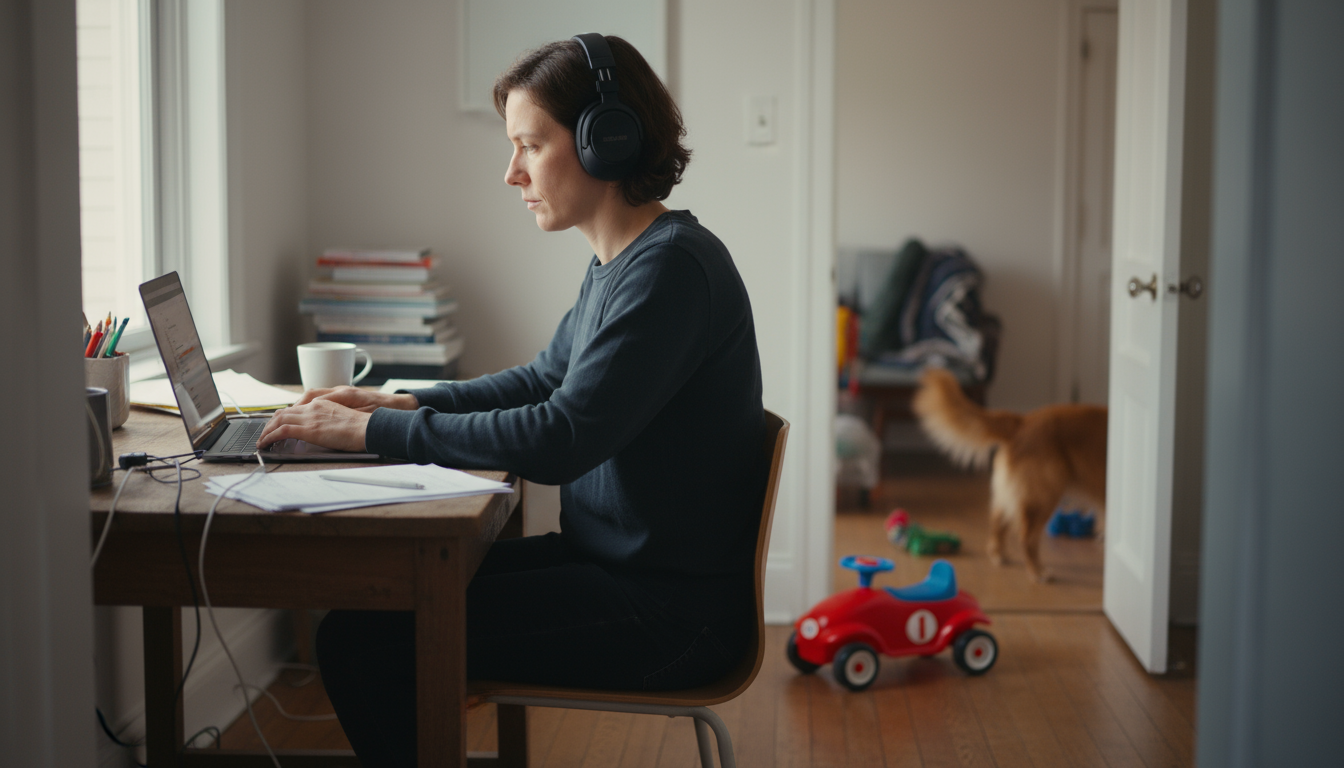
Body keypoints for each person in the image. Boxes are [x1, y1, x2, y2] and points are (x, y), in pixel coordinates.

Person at [257, 34, 765, 766]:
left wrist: (370, 435)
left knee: (360, 642)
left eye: (530, 144)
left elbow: (561, 438)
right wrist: (392, 405)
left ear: (606, 142)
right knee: (377, 607)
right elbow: (540, 381)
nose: (511, 172)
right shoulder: (621, 265)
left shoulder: (670, 272)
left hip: (668, 615)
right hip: (616, 572)